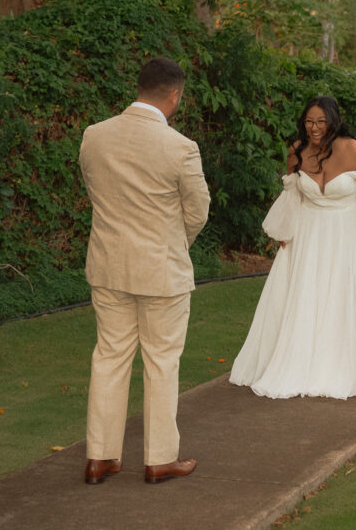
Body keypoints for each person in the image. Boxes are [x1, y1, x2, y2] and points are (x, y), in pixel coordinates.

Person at [229, 95, 356, 400]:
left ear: (333, 120)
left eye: (320, 121)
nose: (314, 127)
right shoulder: (296, 151)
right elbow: (292, 196)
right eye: (309, 121)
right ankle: (300, 362)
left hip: (349, 235)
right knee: (306, 296)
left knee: (344, 296)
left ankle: (346, 367)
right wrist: (283, 230)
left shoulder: (354, 150)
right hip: (309, 234)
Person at [79, 57, 210, 485]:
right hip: (161, 270)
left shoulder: (94, 136)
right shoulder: (181, 146)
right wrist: (173, 243)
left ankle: (100, 458)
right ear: (175, 95)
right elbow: (198, 210)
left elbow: (96, 194)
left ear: (140, 87)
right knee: (161, 362)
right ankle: (159, 460)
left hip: (108, 265)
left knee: (110, 358)